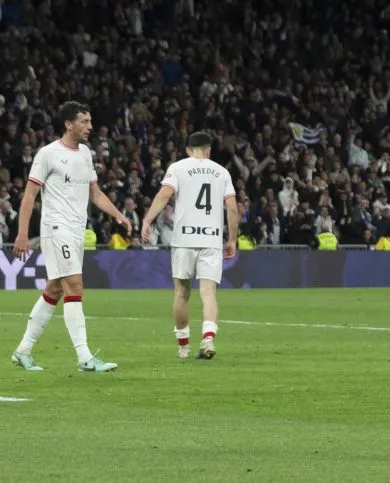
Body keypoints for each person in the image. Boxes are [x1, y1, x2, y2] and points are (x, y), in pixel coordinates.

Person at [10, 101, 131, 372]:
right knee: (74, 286)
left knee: (54, 289)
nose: (90, 126)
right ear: (68, 124)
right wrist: (22, 233)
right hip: (56, 228)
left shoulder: (86, 153)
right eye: (84, 122)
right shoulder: (48, 154)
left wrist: (118, 215)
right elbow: (29, 195)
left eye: (89, 121)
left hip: (76, 231)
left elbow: (95, 193)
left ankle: (23, 350)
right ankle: (84, 356)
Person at [141, 131, 239, 360]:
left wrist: (147, 219)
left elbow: (165, 194)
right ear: (209, 150)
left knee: (182, 292)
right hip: (211, 239)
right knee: (208, 292)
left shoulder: (178, 167)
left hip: (184, 239)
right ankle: (208, 338)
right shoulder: (222, 172)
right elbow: (232, 207)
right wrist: (232, 238)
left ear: (188, 149)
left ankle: (183, 347)